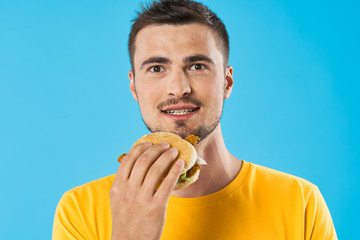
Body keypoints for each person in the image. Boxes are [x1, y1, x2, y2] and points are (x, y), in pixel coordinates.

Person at [52, 0, 337, 239]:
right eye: (156, 68)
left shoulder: (301, 203)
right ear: (134, 87)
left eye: (197, 66)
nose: (178, 88)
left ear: (227, 82)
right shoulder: (80, 210)